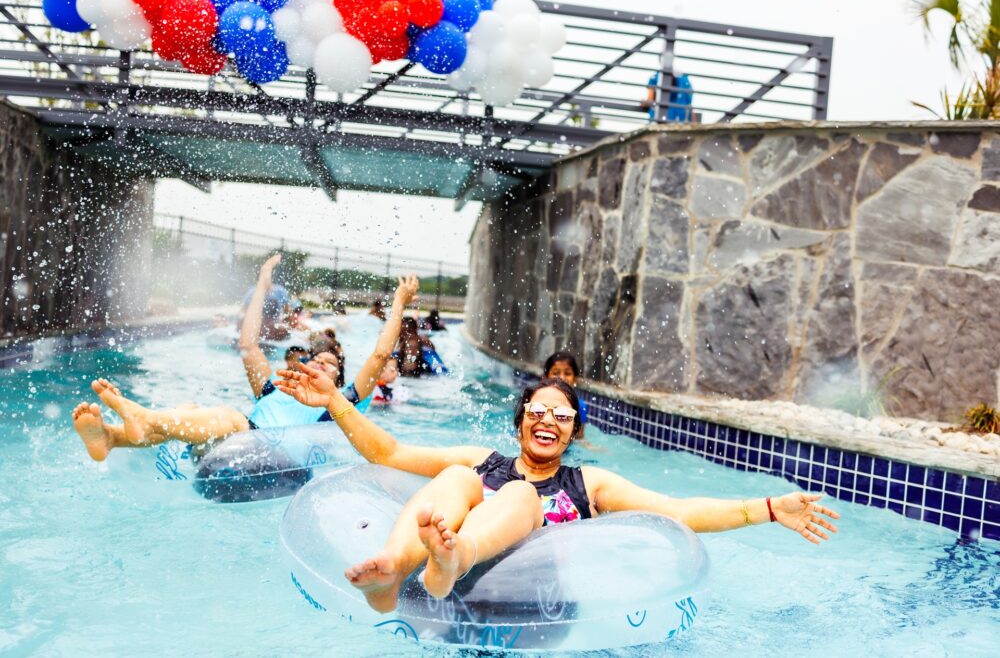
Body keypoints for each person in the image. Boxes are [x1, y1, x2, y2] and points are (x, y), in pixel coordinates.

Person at [274, 371, 841, 613]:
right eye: (537, 412)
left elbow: (676, 512)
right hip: (444, 596)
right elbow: (388, 455)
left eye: (562, 416)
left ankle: (450, 558)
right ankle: (394, 570)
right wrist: (335, 401)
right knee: (453, 478)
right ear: (520, 421)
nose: (548, 421)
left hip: (534, 602)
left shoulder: (588, 484)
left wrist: (765, 508)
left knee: (520, 497)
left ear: (574, 431)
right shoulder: (482, 461)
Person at [70, 255, 420, 461]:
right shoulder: (272, 390)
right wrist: (261, 289)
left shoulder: (344, 403)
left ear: (339, 380)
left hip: (269, 456)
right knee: (190, 409)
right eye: (315, 361)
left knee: (230, 418)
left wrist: (399, 304)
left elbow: (378, 355)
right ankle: (113, 438)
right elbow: (249, 346)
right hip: (231, 449)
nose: (318, 365)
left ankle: (142, 418)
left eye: (328, 365)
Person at [542, 351, 596, 449]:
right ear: (545, 378)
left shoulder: (579, 406)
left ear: (575, 379)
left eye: (567, 373)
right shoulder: (538, 402)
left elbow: (579, 437)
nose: (562, 377)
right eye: (556, 373)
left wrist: (589, 447)